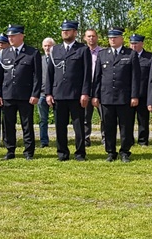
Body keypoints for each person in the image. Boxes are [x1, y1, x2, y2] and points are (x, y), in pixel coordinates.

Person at [45, 20, 93, 161]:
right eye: (63, 30)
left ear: (75, 32)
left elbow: (87, 73)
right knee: (60, 126)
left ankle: (80, 153)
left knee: (78, 126)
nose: (65, 32)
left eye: (68, 30)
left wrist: (85, 93)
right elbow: (50, 73)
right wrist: (48, 93)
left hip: (76, 94)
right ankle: (62, 153)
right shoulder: (55, 50)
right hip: (59, 94)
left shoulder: (83, 49)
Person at [92, 28, 141, 163]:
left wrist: (134, 96)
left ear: (121, 39)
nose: (112, 40)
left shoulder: (130, 54)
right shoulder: (103, 54)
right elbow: (97, 77)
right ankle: (110, 151)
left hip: (124, 97)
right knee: (108, 126)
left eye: (115, 37)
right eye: (110, 38)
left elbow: (135, 78)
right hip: (107, 97)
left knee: (126, 126)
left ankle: (125, 151)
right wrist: (95, 95)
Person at [0, 24, 42, 160]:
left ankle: (28, 151)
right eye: (9, 36)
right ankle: (10, 150)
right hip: (8, 94)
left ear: (21, 36)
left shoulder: (32, 52)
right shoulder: (4, 53)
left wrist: (35, 94)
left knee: (27, 124)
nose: (10, 38)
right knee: (8, 124)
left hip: (25, 95)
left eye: (13, 36)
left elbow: (37, 76)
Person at [129, 34, 152, 146]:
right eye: (131, 43)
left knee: (143, 120)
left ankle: (143, 141)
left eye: (136, 43)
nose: (133, 46)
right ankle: (129, 140)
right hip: (129, 94)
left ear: (142, 44)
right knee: (128, 120)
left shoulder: (150, 57)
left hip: (143, 93)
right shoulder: (127, 56)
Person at [81, 28, 103, 147]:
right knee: (85, 116)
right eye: (89, 36)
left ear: (97, 37)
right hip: (86, 87)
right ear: (85, 38)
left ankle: (105, 138)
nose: (91, 38)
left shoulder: (103, 52)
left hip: (100, 87)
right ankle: (85, 139)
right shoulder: (81, 52)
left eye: (93, 36)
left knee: (104, 115)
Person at [38, 37, 55, 147]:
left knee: (59, 119)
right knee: (43, 119)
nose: (47, 48)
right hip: (42, 93)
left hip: (56, 93)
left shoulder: (58, 59)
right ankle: (44, 141)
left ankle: (61, 140)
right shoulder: (40, 60)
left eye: (49, 45)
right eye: (45, 46)